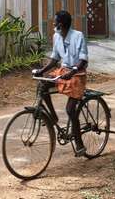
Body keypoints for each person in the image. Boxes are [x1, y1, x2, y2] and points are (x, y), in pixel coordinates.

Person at [32, 10, 88, 156]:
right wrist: (41, 70)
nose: (53, 24)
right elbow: (55, 59)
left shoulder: (78, 36)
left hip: (77, 75)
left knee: (70, 110)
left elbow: (83, 60)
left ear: (61, 24)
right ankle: (53, 117)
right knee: (42, 85)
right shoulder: (56, 36)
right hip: (63, 72)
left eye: (55, 22)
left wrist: (74, 70)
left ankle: (79, 144)